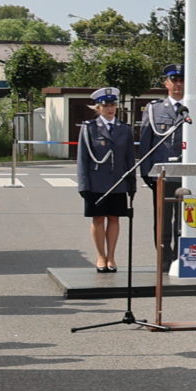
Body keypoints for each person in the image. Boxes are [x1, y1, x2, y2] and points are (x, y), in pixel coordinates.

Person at [75, 89, 135, 272]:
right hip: (97, 181)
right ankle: (101, 256)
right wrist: (83, 185)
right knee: (98, 218)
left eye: (113, 105)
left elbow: (129, 158)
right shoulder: (89, 128)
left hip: (118, 181)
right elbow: (82, 158)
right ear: (98, 108)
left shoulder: (124, 129)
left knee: (114, 218)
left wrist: (131, 182)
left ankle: (111, 257)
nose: (110, 109)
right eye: (106, 105)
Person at [140, 66, 190, 273]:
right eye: (174, 80)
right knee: (162, 220)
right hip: (161, 175)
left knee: (184, 222)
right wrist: (147, 173)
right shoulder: (154, 109)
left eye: (181, 80)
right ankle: (164, 259)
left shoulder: (195, 109)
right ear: (166, 83)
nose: (178, 84)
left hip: (187, 175)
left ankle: (180, 258)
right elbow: (146, 143)